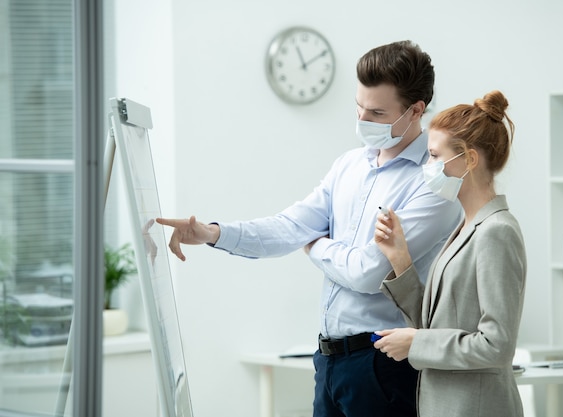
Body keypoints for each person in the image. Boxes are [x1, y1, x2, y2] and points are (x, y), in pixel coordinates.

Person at [156, 40, 463, 417]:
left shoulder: (433, 184)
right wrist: (212, 233)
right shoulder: (348, 165)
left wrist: (314, 246)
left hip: (383, 367)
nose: (363, 120)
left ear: (416, 110)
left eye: (378, 112)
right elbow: (289, 227)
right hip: (328, 361)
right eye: (359, 107)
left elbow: (369, 272)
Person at [372, 90, 526, 417]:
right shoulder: (466, 227)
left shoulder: (496, 232)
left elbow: (496, 345)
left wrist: (416, 345)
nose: (427, 167)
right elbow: (437, 323)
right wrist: (400, 257)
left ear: (469, 160)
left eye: (434, 156)